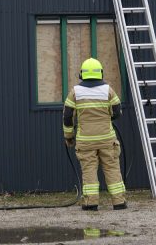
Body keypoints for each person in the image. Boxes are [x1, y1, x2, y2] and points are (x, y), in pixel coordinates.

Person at [63, 58, 126, 210]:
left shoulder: (75, 92)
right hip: (107, 139)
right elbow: (117, 112)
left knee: (89, 170)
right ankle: (119, 202)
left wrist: (69, 137)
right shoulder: (108, 90)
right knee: (112, 169)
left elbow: (67, 117)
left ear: (82, 74)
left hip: (86, 141)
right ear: (101, 74)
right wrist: (106, 119)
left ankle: (91, 203)